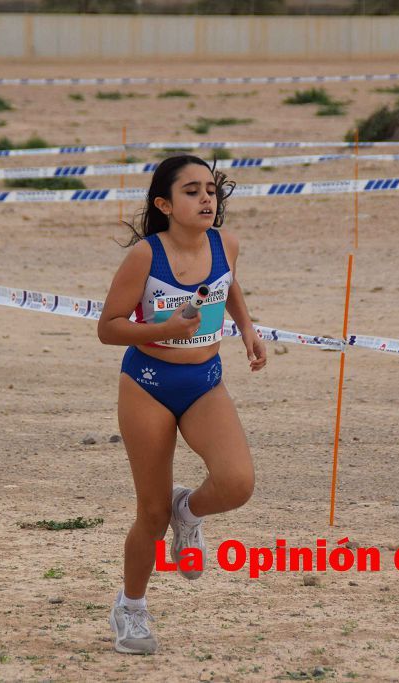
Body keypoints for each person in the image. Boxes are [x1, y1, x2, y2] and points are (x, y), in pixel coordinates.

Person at [96, 155, 267, 655]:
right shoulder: (145, 258)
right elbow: (107, 328)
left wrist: (248, 328)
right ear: (164, 204)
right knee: (149, 514)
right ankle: (131, 608)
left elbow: (227, 283)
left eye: (211, 190)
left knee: (237, 483)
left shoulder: (226, 243)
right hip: (148, 383)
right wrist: (162, 331)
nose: (206, 199)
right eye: (191, 191)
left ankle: (188, 512)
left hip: (205, 381)